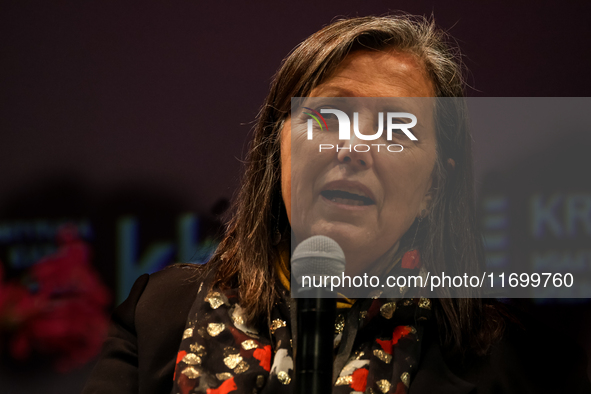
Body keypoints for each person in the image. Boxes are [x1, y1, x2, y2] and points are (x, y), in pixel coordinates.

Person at [82, 14, 591, 394]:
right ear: (275, 151)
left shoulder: (530, 369)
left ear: (436, 185)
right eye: (327, 118)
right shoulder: (156, 315)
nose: (354, 149)